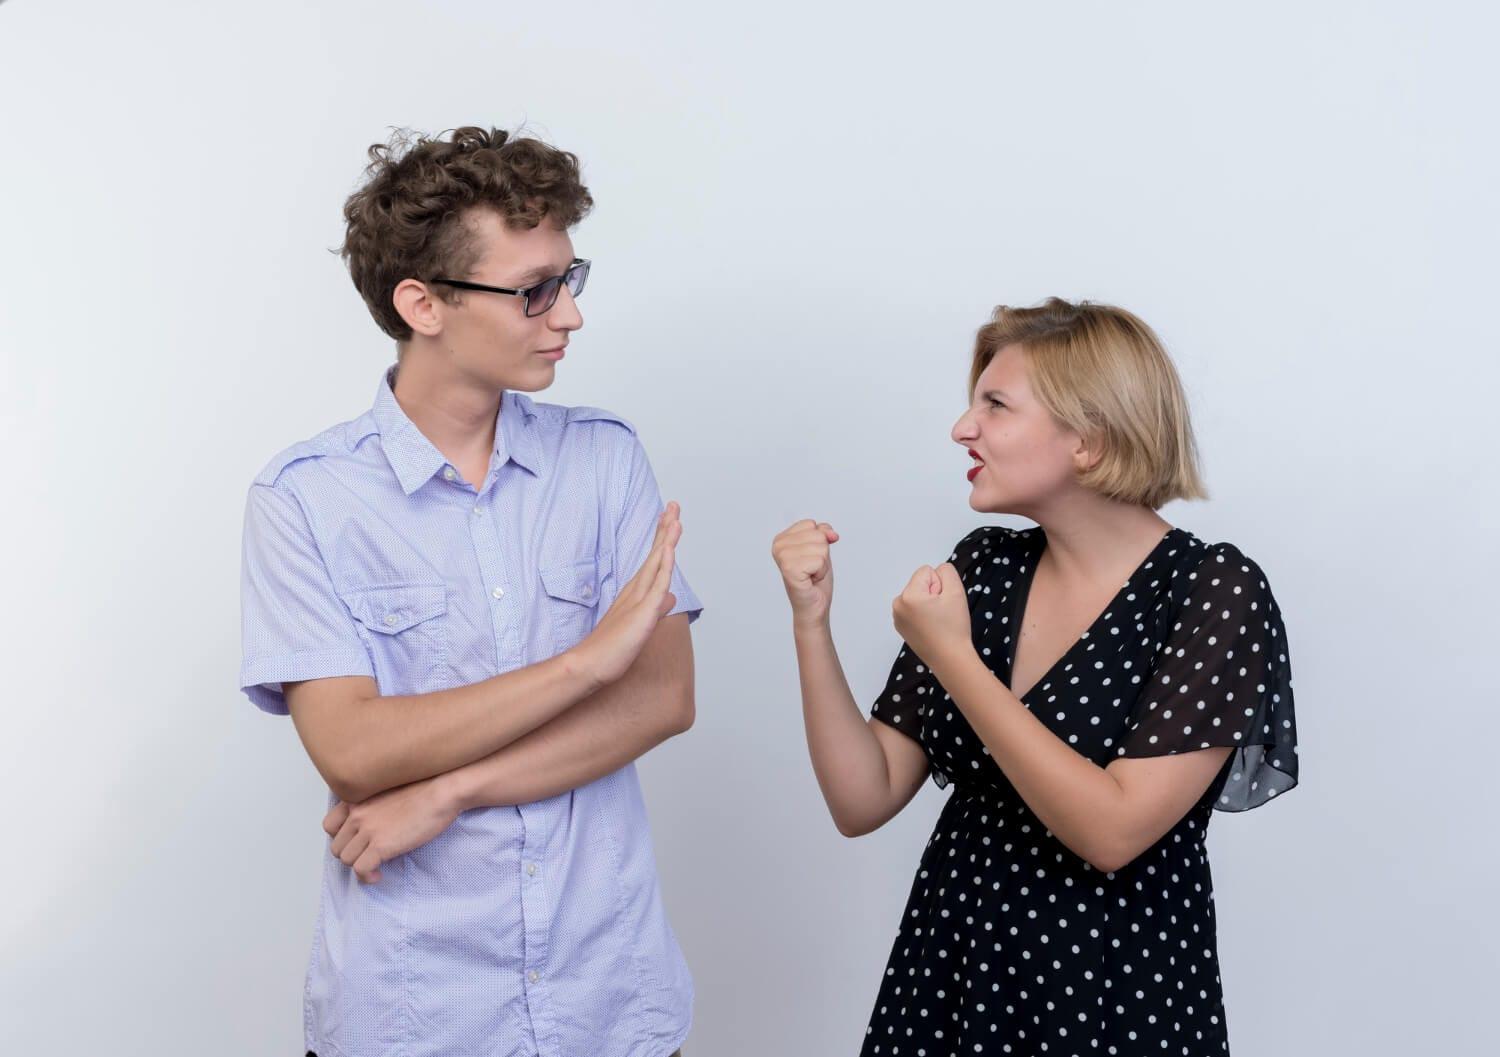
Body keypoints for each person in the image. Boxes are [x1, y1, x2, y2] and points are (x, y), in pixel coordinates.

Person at [239, 126, 699, 1057]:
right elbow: (356, 752)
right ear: (423, 303)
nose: (568, 316)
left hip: (611, 1006)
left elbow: (661, 697)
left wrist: (448, 790)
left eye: (570, 279)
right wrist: (583, 665)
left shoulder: (604, 458)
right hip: (416, 1014)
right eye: (534, 291)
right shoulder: (304, 499)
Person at [772, 297, 1298, 1056]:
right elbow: (863, 797)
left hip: (1113, 996)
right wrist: (810, 620)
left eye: (996, 404)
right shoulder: (984, 569)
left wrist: (953, 656)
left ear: (1088, 439)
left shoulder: (1212, 593)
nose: (963, 427)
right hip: (948, 979)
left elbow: (1112, 832)